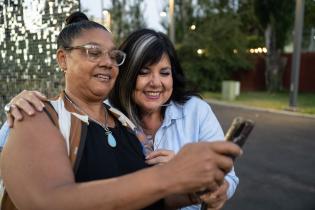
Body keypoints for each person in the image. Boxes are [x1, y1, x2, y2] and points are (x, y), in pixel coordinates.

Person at [0, 12, 241, 210]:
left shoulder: (122, 123)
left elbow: (142, 196)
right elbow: (46, 202)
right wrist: (170, 176)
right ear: (63, 59)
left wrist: (194, 192)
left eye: (113, 56)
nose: (107, 62)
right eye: (93, 52)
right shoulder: (37, 115)